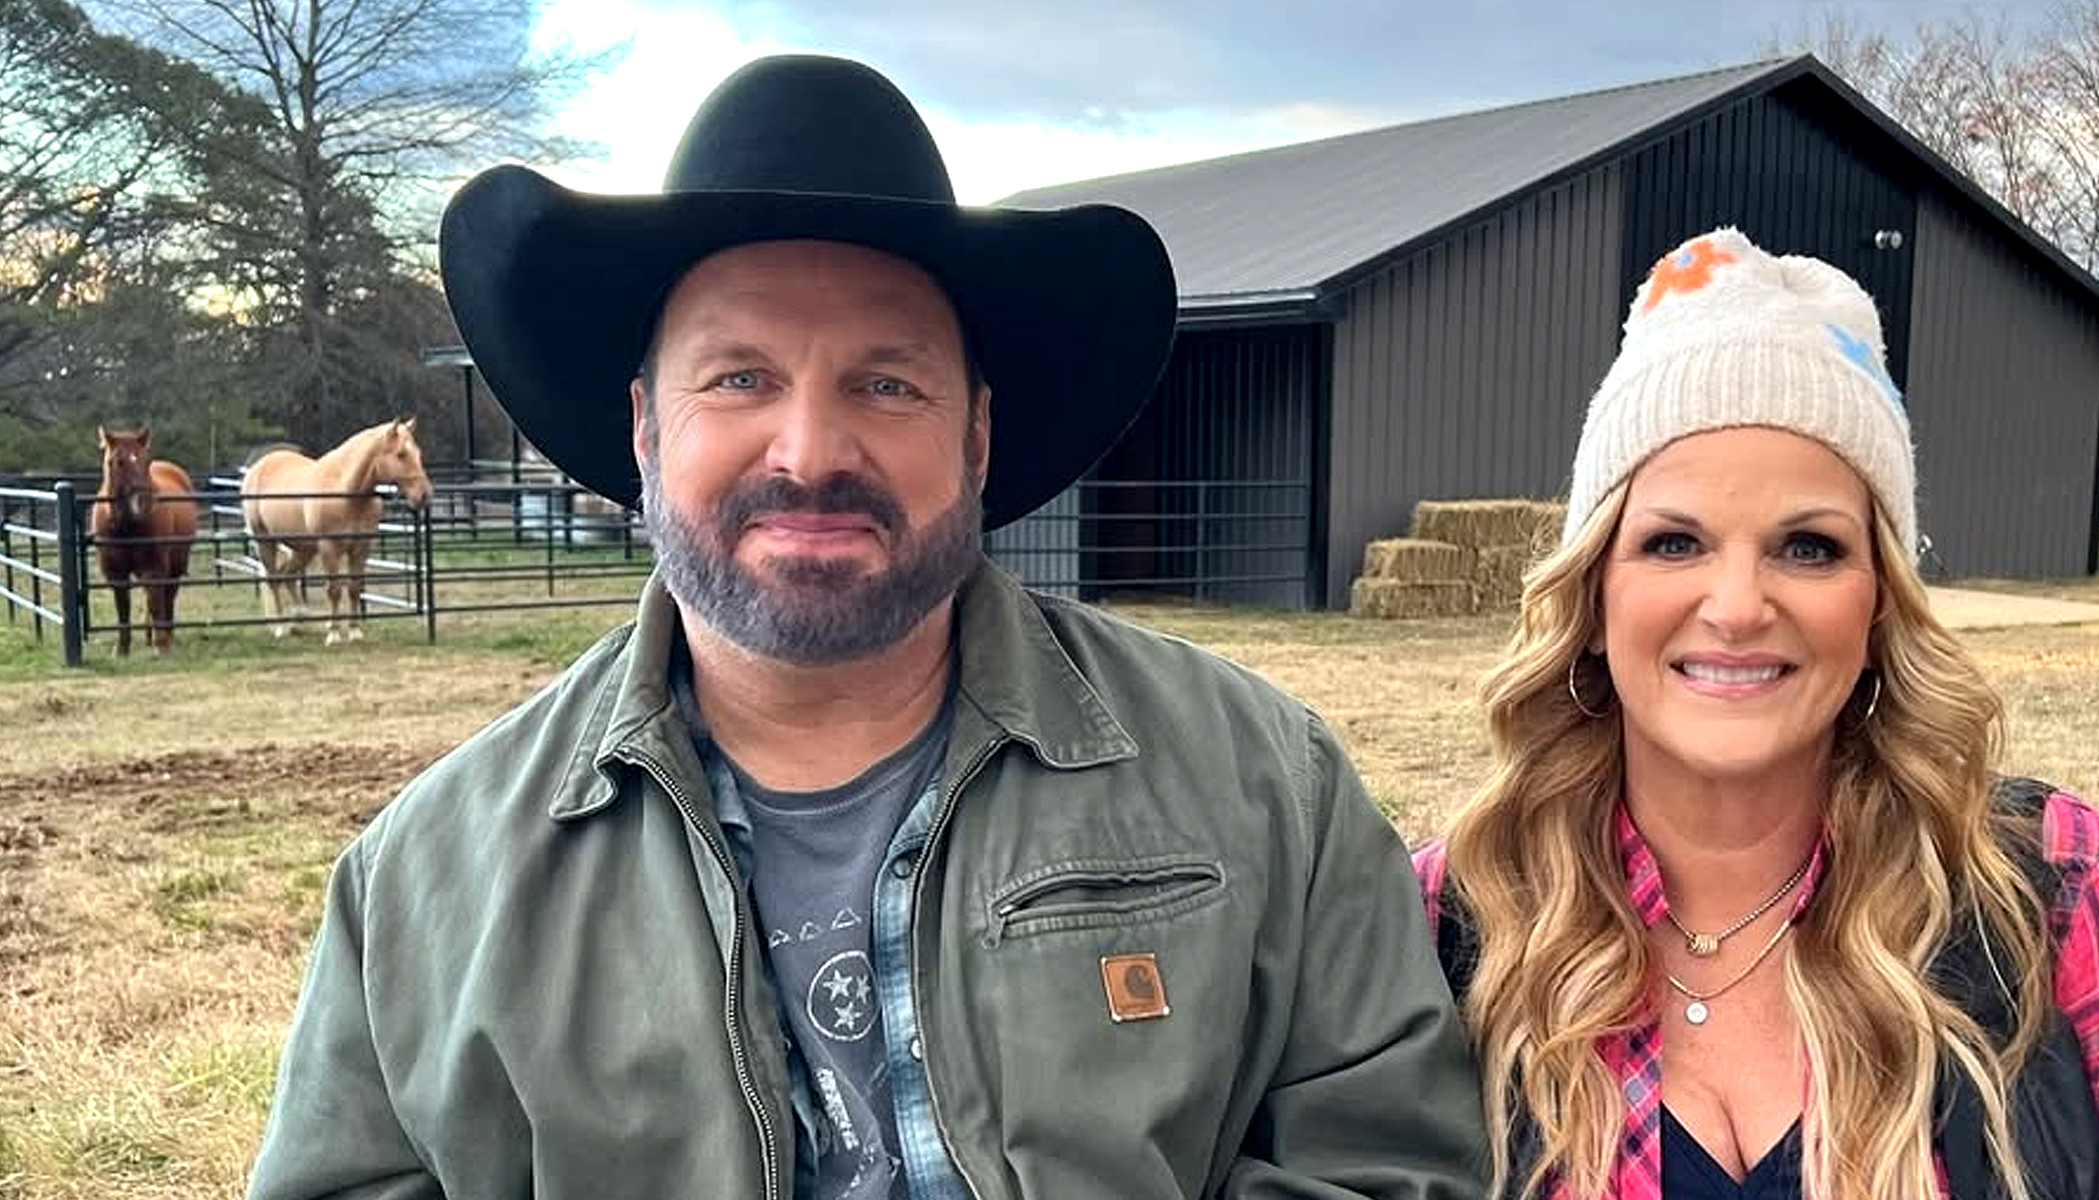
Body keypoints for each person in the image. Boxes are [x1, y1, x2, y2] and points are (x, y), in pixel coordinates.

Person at [247, 54, 1487, 1200]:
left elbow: (1387, 1160)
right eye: (740, 378)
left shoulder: (1268, 789)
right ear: (642, 427)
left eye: (886, 383)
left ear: (978, 436)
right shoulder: (423, 888)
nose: (810, 452)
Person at [1413, 228, 2099, 1200]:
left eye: (1809, 548)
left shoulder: (2059, 893)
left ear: (1878, 603)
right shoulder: (1435, 924)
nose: (1736, 607)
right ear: (1594, 599)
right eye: (1674, 542)